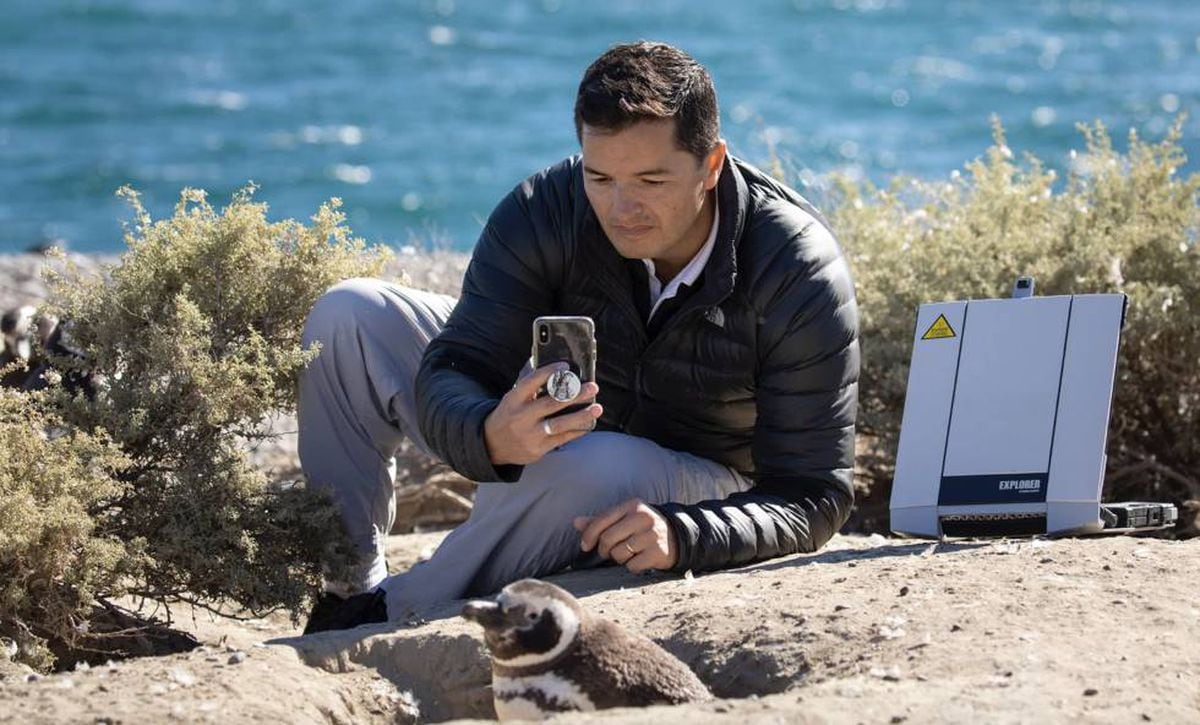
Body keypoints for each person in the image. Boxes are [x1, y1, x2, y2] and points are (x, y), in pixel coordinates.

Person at [298, 41, 859, 633]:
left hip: (706, 479)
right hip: (574, 431)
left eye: (651, 179)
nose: (622, 208)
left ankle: (384, 614)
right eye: (601, 177)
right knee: (351, 315)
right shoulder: (546, 208)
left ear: (711, 164)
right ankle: (348, 584)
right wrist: (487, 434)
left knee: (586, 462)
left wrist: (685, 535)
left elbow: (814, 495)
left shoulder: (797, 268)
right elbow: (460, 361)